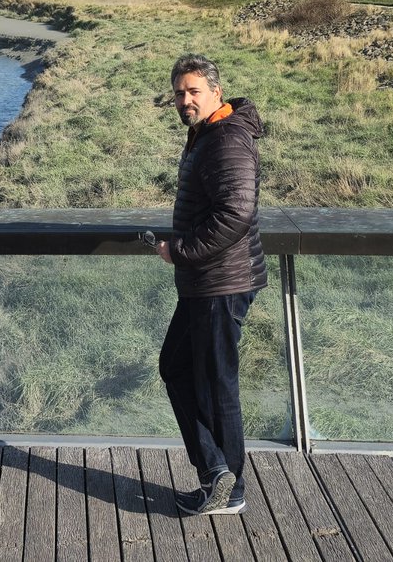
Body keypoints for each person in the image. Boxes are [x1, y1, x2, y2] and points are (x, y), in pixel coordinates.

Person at [155, 53, 267, 516]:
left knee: (217, 384)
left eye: (194, 91)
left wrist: (179, 251)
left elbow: (235, 213)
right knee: (177, 367)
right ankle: (217, 472)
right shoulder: (209, 132)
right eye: (179, 93)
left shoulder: (226, 140)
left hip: (222, 282)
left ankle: (229, 487)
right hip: (208, 281)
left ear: (216, 93)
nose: (185, 100)